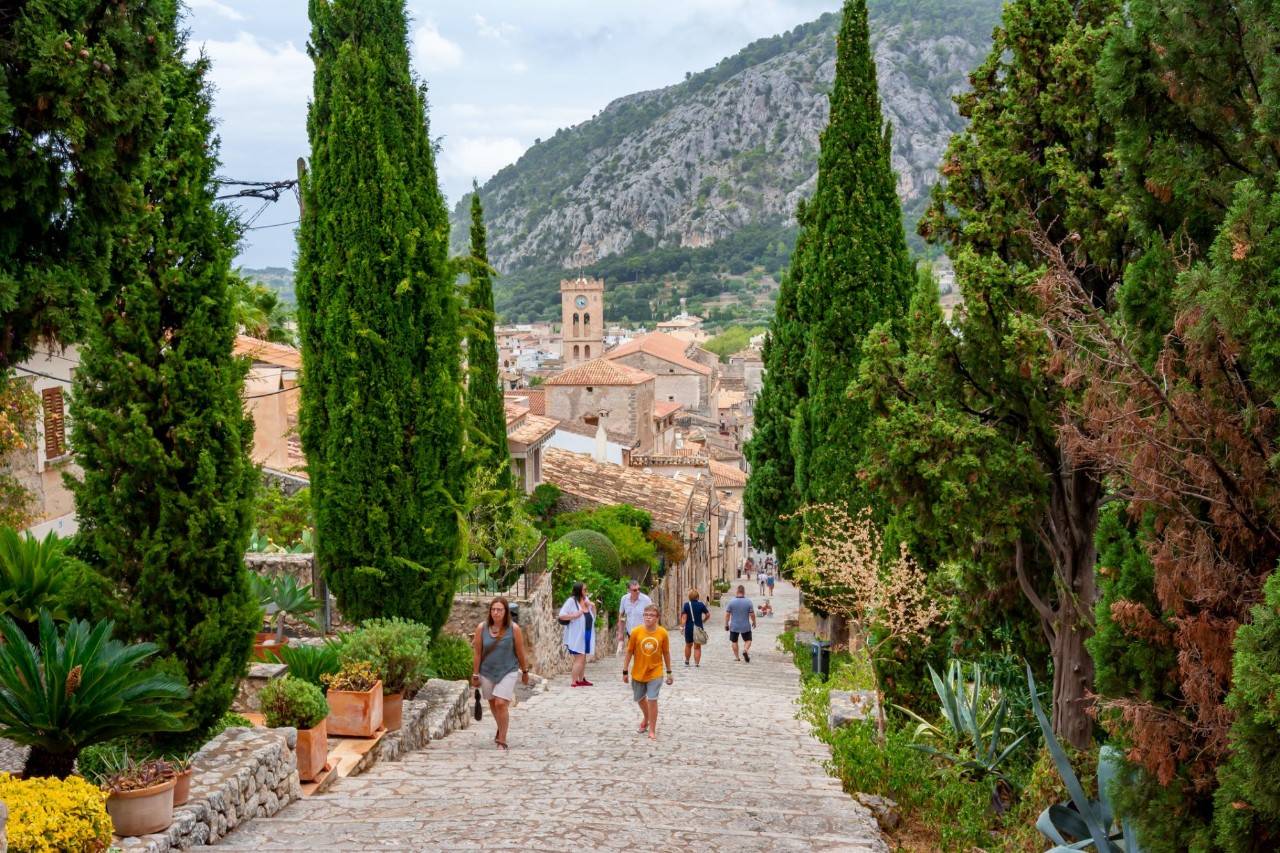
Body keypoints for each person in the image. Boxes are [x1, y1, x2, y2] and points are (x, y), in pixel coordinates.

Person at [470, 597, 530, 750]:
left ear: (506, 612)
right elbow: (477, 653)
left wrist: (525, 671)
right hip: (487, 672)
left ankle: (502, 739)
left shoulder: (514, 629)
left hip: (508, 670)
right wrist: (475, 674)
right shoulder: (481, 628)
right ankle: (501, 728)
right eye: (493, 609)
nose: (496, 613)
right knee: (492, 703)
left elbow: (520, 652)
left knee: (501, 703)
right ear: (490, 611)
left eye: (500, 610)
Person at [622, 604, 673, 740]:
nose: (648, 618)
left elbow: (666, 653)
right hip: (638, 672)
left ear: (657, 618)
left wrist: (669, 672)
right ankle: (646, 717)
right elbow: (629, 652)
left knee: (652, 699)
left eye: (651, 615)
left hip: (655, 672)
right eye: (646, 615)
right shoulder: (636, 632)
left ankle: (652, 730)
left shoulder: (662, 633)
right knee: (639, 698)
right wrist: (625, 670)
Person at [559, 581, 597, 686]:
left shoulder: (586, 600)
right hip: (577, 635)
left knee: (583, 658)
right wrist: (575, 615)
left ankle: (581, 679)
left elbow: (593, 616)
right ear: (579, 590)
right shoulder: (571, 601)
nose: (587, 591)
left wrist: (592, 606)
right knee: (579, 658)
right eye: (585, 590)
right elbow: (561, 615)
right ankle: (574, 681)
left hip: (588, 633)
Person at [724, 584, 757, 662]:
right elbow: (752, 614)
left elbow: (727, 614)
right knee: (748, 640)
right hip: (745, 625)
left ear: (737, 591)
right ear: (744, 592)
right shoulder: (748, 602)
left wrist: (726, 624)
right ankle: (745, 650)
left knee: (734, 641)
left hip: (734, 626)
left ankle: (737, 657)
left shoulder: (731, 602)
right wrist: (754, 622)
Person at [679, 588, 711, 667]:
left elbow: (684, 618)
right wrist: (703, 621)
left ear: (689, 597)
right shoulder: (701, 605)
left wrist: (682, 627)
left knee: (688, 645)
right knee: (697, 647)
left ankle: (687, 661)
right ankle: (696, 663)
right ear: (697, 597)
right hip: (698, 628)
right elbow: (708, 615)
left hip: (689, 628)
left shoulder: (686, 605)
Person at [616, 580, 652, 648]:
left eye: (639, 589)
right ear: (629, 590)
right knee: (634, 655)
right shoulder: (624, 599)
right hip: (631, 633)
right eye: (635, 590)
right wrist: (620, 633)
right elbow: (622, 617)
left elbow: (652, 616)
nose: (638, 591)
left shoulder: (646, 600)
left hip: (644, 633)